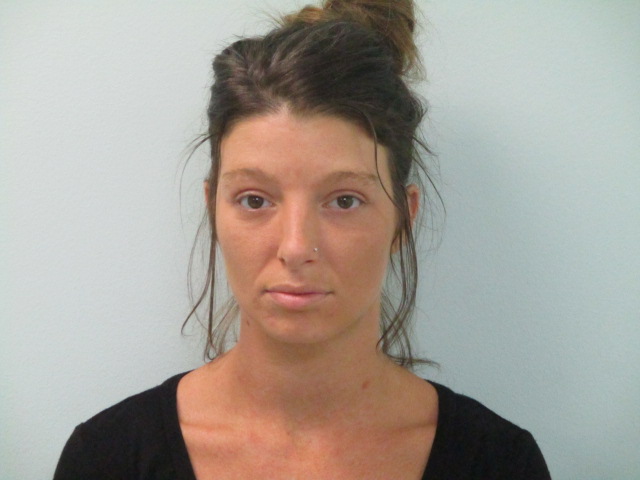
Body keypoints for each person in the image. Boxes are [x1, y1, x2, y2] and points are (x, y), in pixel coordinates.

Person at [54, 1, 551, 478]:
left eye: (344, 201)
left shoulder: (500, 463)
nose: (295, 247)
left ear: (404, 220)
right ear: (212, 210)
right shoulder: (107, 459)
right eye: (254, 200)